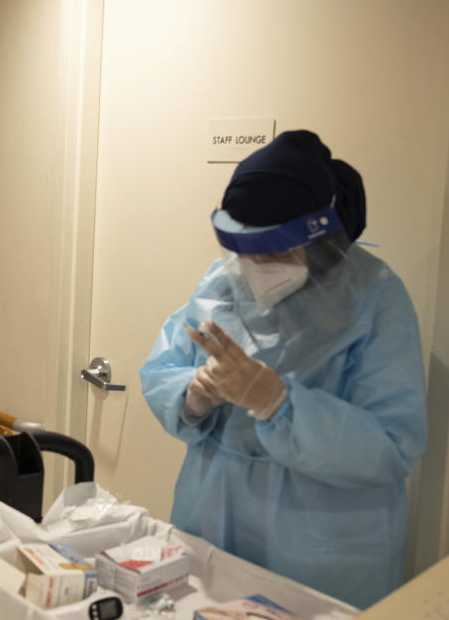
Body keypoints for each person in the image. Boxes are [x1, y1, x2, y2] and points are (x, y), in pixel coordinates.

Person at [139, 130, 428, 609]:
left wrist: (279, 403)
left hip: (317, 544)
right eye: (246, 253)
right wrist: (194, 394)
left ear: (321, 242)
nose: (256, 268)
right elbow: (164, 366)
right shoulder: (225, 280)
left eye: (273, 254)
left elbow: (393, 446)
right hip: (212, 517)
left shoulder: (376, 299)